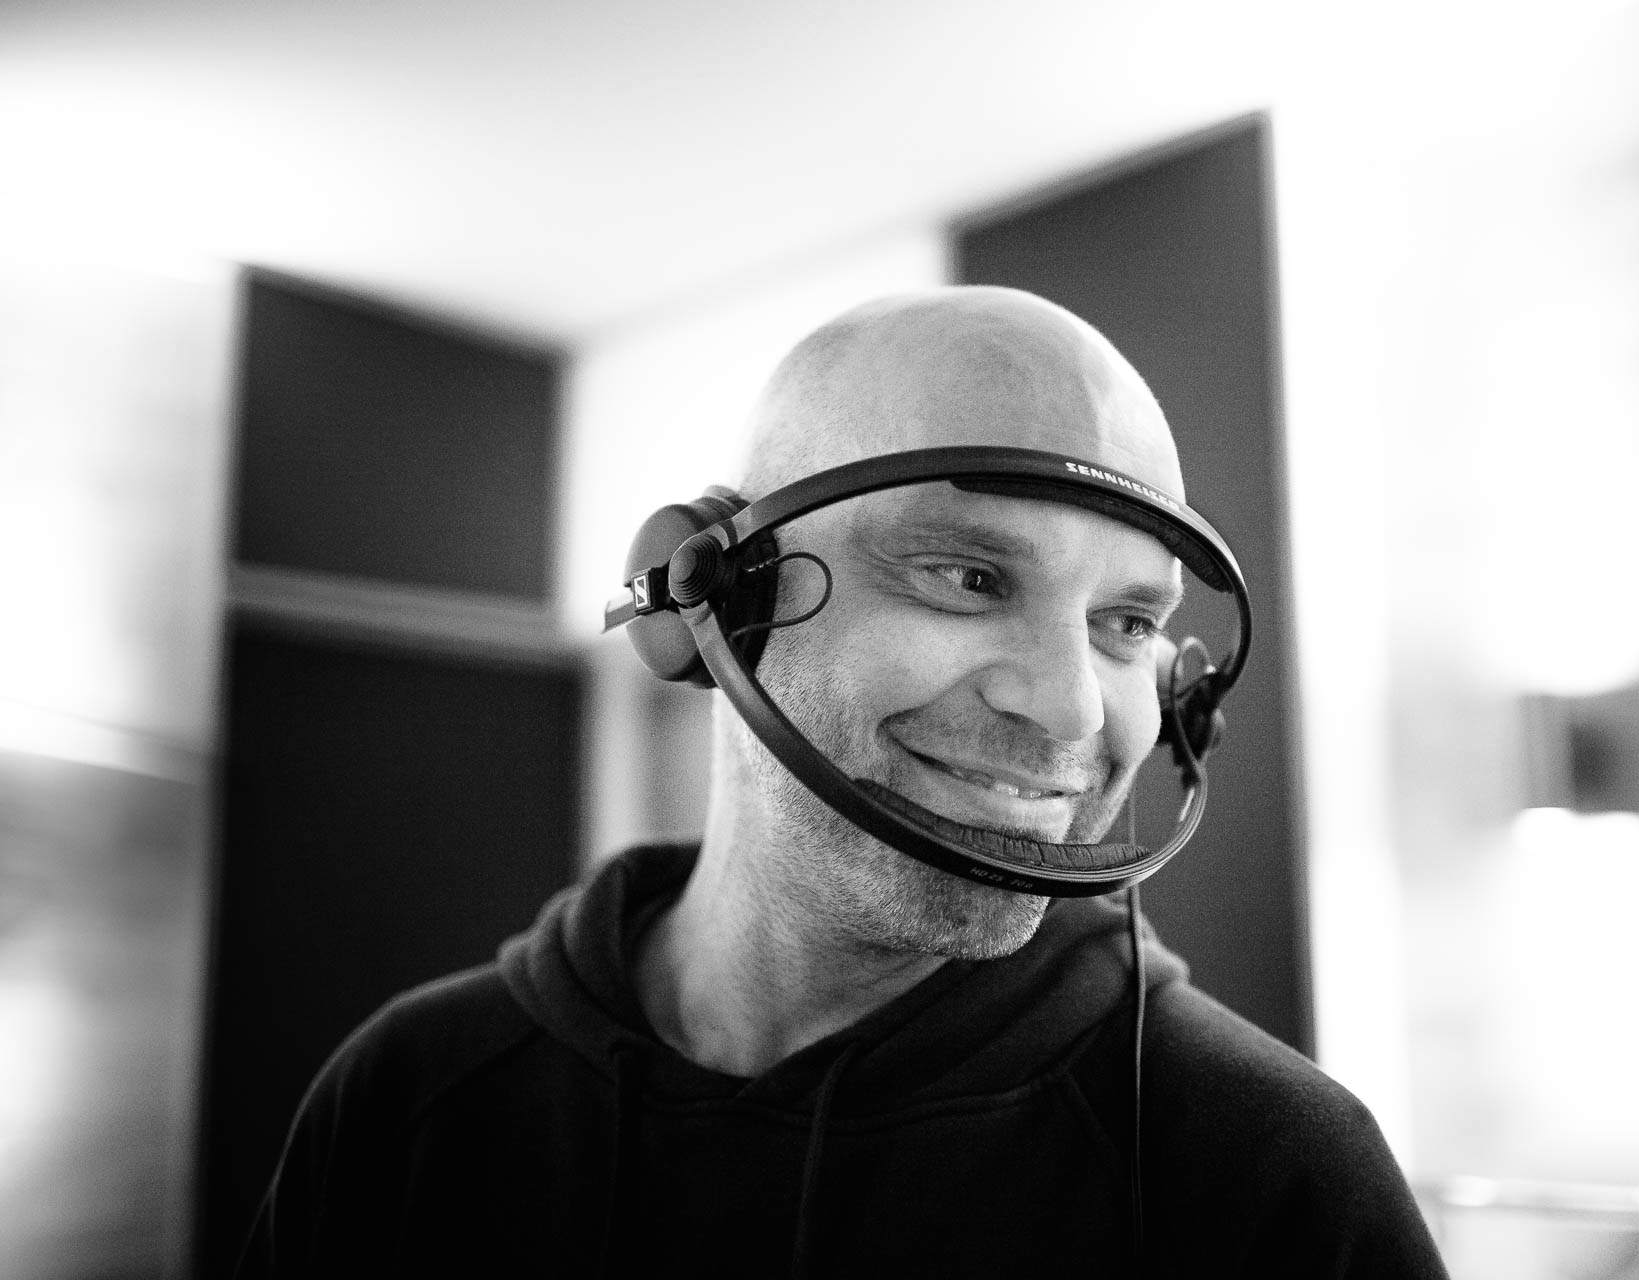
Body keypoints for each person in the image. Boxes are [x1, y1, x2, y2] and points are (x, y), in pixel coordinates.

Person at [238, 286, 1448, 1277]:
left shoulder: (1274, 1179)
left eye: (1127, 622)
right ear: (714, 600)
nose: (1074, 708)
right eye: (969, 577)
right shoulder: (409, 1100)